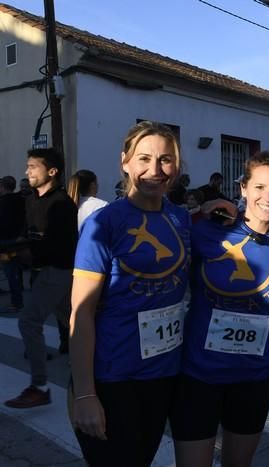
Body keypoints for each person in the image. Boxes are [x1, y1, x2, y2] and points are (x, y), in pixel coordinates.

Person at [68, 121, 190, 465]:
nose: (155, 170)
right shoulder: (104, 223)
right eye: (144, 159)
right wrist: (85, 393)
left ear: (176, 166)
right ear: (125, 161)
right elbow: (81, 312)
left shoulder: (181, 219)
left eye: (165, 160)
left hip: (163, 373)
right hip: (112, 377)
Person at [171, 151, 269, 467]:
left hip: (252, 378)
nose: (268, 198)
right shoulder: (208, 229)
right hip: (198, 376)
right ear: (243, 188)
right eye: (259, 187)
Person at [4, 148, 78, 409]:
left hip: (56, 270)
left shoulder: (62, 204)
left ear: (52, 171)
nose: (27, 171)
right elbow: (25, 231)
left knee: (29, 321)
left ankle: (39, 387)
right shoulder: (30, 199)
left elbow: (59, 246)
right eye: (28, 166)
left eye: (33, 166)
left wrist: (24, 251)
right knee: (73, 319)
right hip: (43, 271)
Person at [0, 175, 26, 313]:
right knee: (15, 270)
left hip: (5, 242)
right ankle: (18, 297)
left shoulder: (3, 202)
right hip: (18, 240)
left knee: (11, 272)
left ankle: (17, 302)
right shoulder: (20, 200)